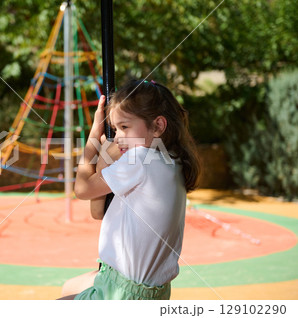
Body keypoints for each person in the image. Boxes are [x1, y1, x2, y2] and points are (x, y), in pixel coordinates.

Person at [59, 79, 201, 300]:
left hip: (124, 293)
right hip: (148, 290)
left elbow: (83, 189)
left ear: (158, 127)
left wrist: (94, 139)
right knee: (70, 287)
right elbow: (98, 212)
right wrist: (106, 157)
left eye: (125, 127)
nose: (118, 138)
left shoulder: (141, 158)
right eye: (114, 129)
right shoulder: (173, 160)